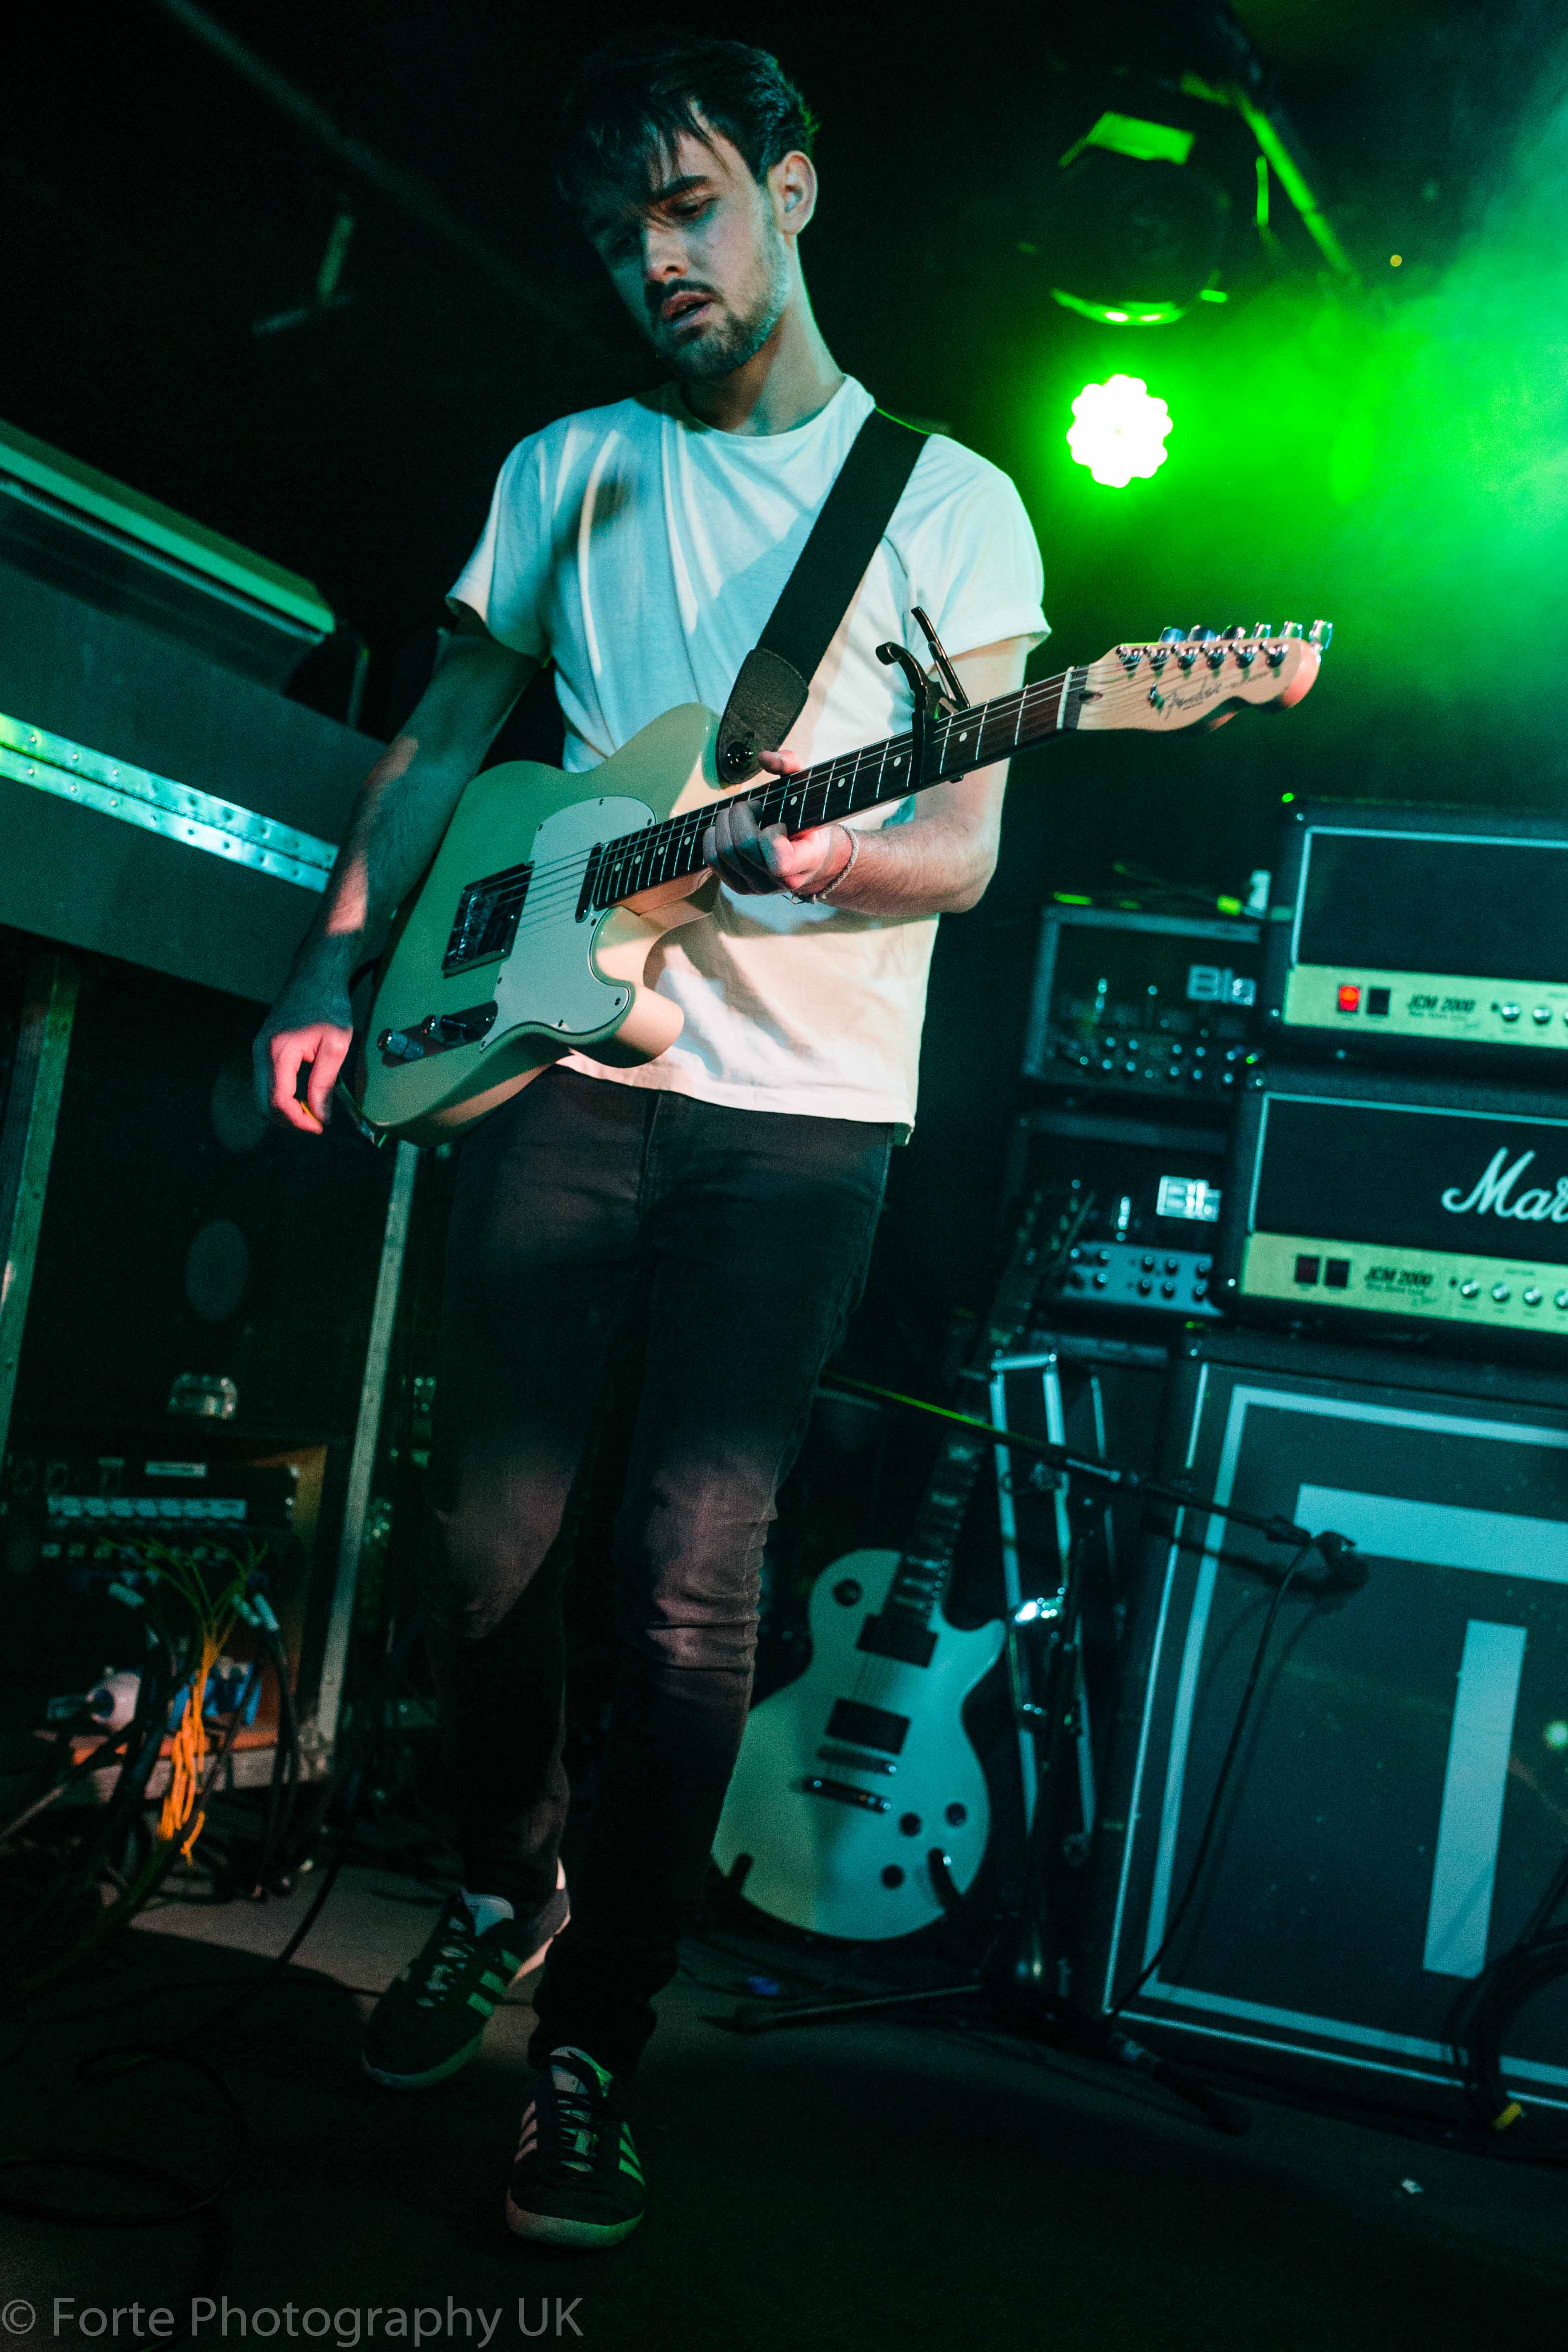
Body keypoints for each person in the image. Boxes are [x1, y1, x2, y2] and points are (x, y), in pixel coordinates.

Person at [255, 32, 1045, 2249]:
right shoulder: (570, 468)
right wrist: (333, 960)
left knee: (692, 1577)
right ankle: (500, 1887)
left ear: (791, 188)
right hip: (561, 1060)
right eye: (619, 236)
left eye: (690, 207)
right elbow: (449, 734)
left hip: (802, 1118)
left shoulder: (950, 503)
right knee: (481, 1548)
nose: (656, 261)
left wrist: (839, 859)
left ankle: (596, 2036)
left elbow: (967, 841)